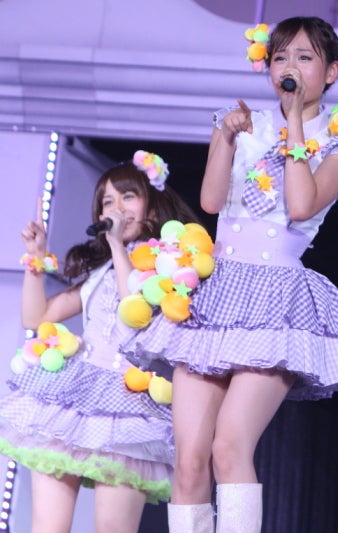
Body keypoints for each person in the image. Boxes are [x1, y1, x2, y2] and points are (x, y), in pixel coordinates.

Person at [123, 16, 338, 533]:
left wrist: (295, 124)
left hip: (276, 297)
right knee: (189, 459)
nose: (290, 67)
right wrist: (224, 136)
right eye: (280, 57)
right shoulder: (241, 123)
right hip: (217, 292)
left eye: (304, 57)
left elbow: (302, 205)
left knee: (229, 446)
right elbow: (211, 200)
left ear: (331, 71)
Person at [1, 153, 200, 533]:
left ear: (151, 206)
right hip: (71, 394)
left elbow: (134, 307)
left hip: (127, 403)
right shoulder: (100, 270)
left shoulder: (167, 267)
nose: (116, 208)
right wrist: (36, 259)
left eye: (127, 196)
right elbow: (36, 317)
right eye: (108, 201)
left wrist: (118, 248)